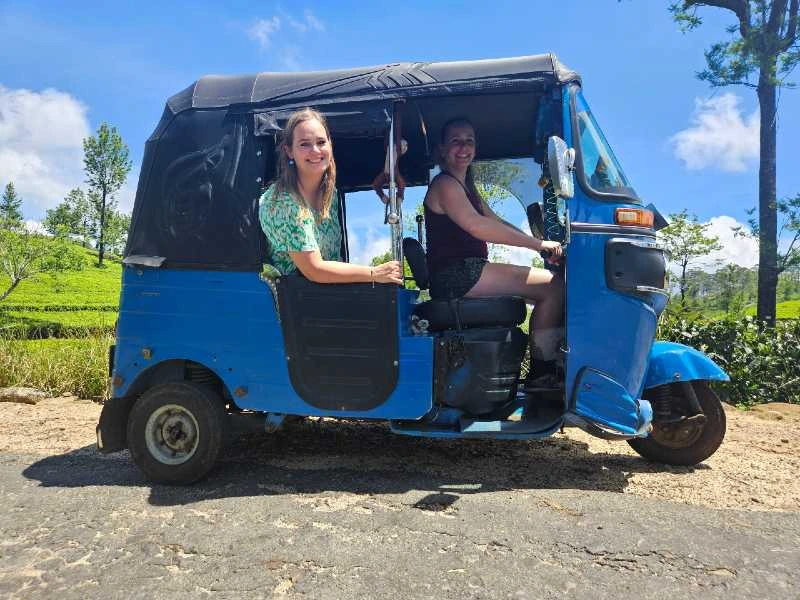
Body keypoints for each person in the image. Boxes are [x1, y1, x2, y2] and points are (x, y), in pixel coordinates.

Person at [424, 117, 564, 388]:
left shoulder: (467, 188)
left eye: (469, 141)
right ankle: (542, 374)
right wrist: (537, 246)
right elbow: (477, 226)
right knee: (554, 288)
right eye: (456, 141)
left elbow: (496, 221)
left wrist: (542, 243)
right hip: (458, 274)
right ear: (442, 149)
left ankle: (545, 367)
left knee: (550, 290)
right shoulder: (445, 185)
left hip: (469, 270)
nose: (463, 147)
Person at [259, 108, 402, 285]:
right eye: (304, 144)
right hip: (292, 304)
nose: (315, 151)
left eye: (321, 142)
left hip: (328, 297)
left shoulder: (330, 193)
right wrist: (374, 273)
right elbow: (314, 270)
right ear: (289, 151)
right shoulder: (282, 202)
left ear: (330, 145)